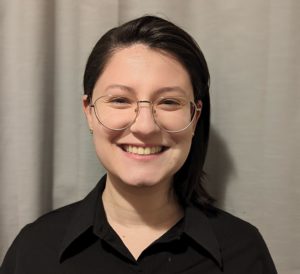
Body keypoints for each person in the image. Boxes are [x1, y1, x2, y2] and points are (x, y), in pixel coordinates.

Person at [0, 15, 277, 273]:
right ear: (89, 112)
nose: (145, 126)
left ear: (195, 117)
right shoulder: (33, 251)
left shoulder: (243, 252)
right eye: (120, 100)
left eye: (169, 102)